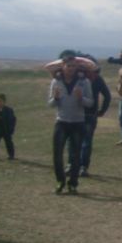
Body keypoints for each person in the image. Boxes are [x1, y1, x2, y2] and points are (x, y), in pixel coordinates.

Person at [49, 53, 94, 194]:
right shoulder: (55, 82)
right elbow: (50, 104)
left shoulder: (84, 82)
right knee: (57, 154)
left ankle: (73, 183)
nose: (71, 68)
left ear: (77, 67)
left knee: (75, 155)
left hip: (77, 123)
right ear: (63, 66)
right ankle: (60, 181)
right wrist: (55, 98)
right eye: (68, 66)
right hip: (61, 122)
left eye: (73, 66)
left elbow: (90, 102)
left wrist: (81, 98)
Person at [79, 65, 111, 177]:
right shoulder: (83, 79)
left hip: (89, 115)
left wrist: (102, 110)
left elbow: (107, 96)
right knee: (79, 141)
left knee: (85, 142)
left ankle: (82, 166)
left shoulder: (90, 80)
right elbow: (107, 96)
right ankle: (78, 166)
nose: (94, 75)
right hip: (80, 114)